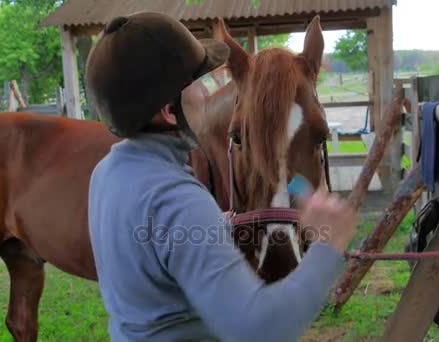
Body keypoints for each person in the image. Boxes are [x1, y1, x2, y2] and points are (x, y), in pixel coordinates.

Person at [85, 11, 359, 342]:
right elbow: (262, 329)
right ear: (170, 112)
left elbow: (156, 250)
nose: (207, 94)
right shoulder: (179, 201)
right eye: (197, 83)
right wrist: (328, 248)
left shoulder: (106, 173)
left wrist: (211, 229)